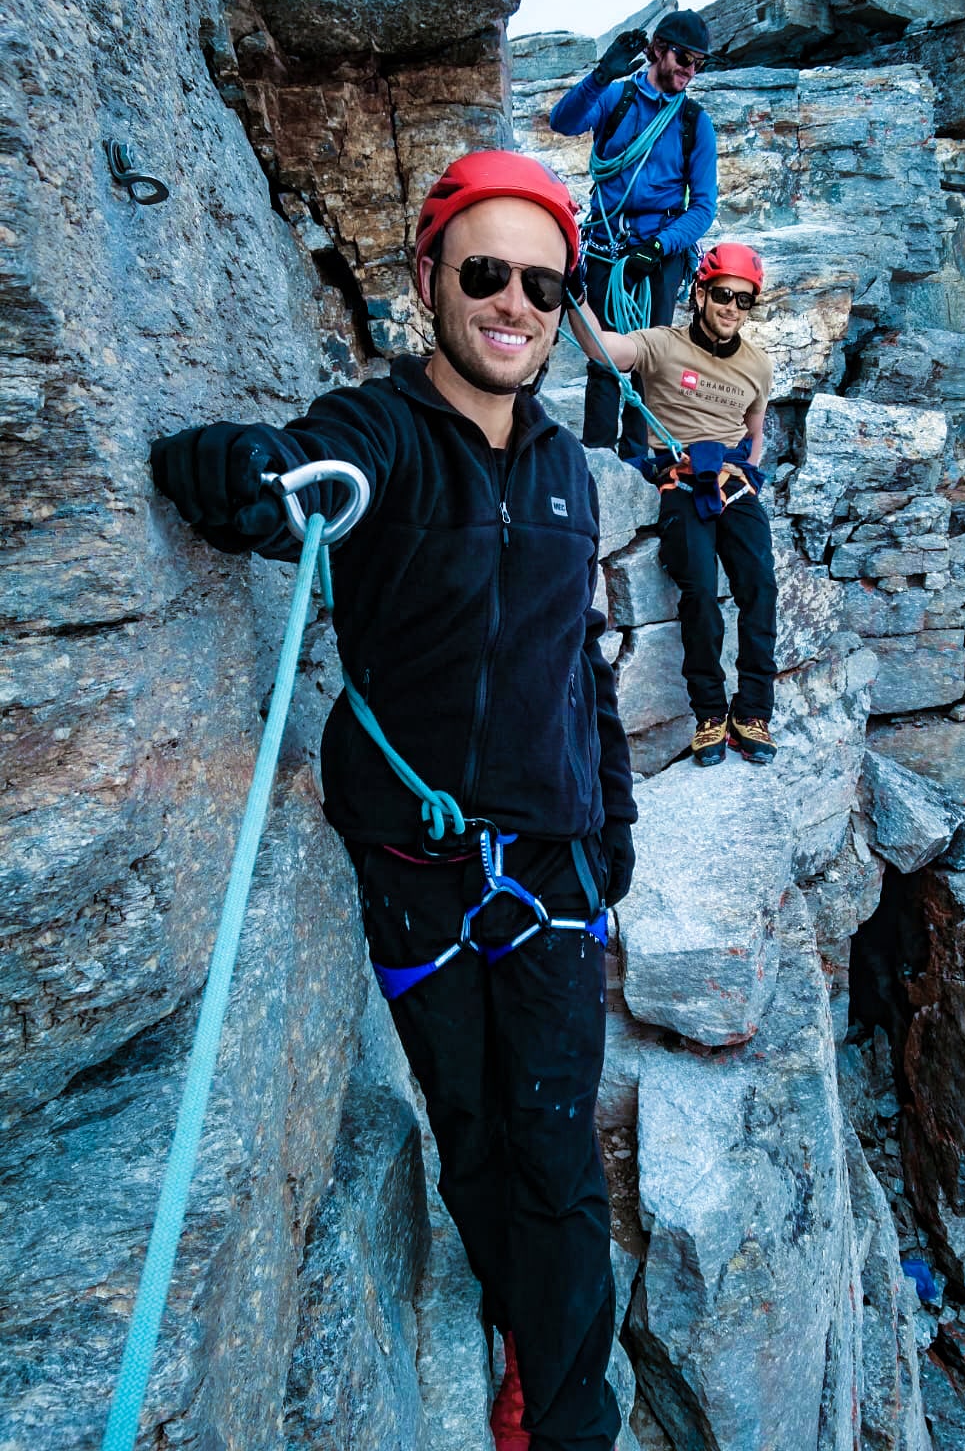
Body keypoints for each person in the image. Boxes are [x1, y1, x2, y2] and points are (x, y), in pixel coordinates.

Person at [149, 150, 634, 1451]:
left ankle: (566, 1415)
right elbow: (278, 473)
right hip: (414, 877)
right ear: (430, 278)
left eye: (543, 284)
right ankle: (518, 1319)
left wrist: (613, 840)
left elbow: (576, 659)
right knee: (475, 1142)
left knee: (561, 1162)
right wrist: (255, 475)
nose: (515, 305)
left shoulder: (565, 473)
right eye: (486, 272)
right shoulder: (381, 438)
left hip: (547, 876)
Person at [568, 243, 779, 768]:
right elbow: (603, 351)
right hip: (682, 485)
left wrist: (747, 469)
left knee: (759, 588)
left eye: (744, 301)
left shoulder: (757, 365)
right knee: (700, 593)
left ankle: (752, 713)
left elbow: (755, 436)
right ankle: (710, 714)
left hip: (733, 486)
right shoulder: (663, 345)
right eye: (724, 295)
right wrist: (575, 293)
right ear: (701, 294)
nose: (732, 308)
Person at [548, 9, 718, 458]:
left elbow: (703, 207)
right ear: (658, 50)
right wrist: (600, 75)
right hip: (606, 245)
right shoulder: (616, 99)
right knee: (604, 359)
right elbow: (561, 122)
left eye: (699, 62)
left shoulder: (693, 123)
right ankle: (599, 458)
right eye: (683, 57)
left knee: (650, 357)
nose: (689, 70)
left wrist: (661, 245)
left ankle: (640, 460)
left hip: (659, 251)